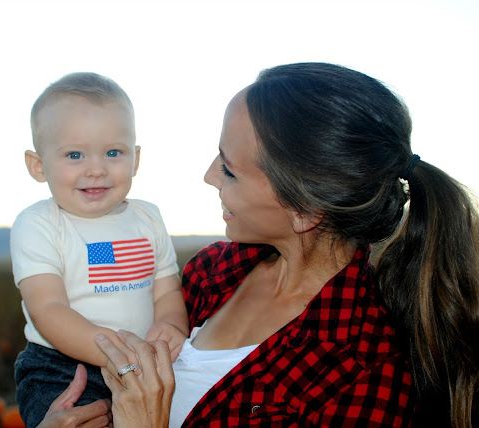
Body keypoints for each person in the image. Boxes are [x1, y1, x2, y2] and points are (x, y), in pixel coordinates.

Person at [38, 63, 479, 428]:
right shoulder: (211, 274)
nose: (209, 176)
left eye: (230, 170)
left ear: (304, 210)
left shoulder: (362, 375)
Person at [10, 72, 189, 428]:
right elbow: (49, 308)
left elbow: (166, 291)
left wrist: (172, 325)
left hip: (144, 359)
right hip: (62, 366)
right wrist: (116, 354)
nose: (96, 169)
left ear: (136, 158)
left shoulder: (147, 218)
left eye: (113, 152)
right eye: (75, 155)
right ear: (38, 165)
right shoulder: (39, 224)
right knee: (78, 419)